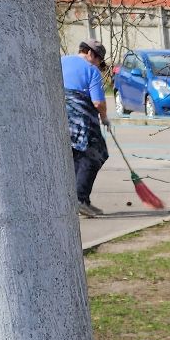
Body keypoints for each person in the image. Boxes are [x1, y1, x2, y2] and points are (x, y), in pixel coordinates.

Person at [61, 40, 109, 218]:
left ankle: (78, 201)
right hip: (81, 122)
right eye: (99, 60)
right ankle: (80, 199)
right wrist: (104, 118)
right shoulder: (91, 70)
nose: (98, 64)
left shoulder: (60, 61)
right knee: (96, 154)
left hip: (59, 120)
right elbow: (98, 102)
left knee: (74, 158)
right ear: (90, 54)